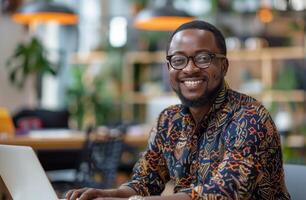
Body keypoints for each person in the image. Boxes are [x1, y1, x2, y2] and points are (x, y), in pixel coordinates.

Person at [66, 20, 290, 200]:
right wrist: (108, 194)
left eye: (203, 58)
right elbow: (145, 181)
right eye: (179, 60)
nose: (190, 69)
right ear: (169, 68)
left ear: (224, 66)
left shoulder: (250, 117)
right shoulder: (169, 120)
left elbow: (224, 192)